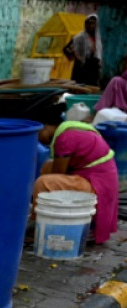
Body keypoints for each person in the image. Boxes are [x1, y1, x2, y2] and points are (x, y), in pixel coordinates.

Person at [34, 103, 118, 244]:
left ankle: (42, 223)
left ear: (45, 127)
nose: (37, 138)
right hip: (100, 180)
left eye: (37, 133)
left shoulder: (65, 138)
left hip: (98, 186)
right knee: (47, 168)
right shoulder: (70, 129)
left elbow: (58, 173)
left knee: (44, 183)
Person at [66, 14, 102, 87]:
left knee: (92, 91)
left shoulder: (99, 39)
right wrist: (76, 55)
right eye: (89, 23)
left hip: (94, 70)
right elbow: (66, 49)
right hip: (81, 69)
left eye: (93, 23)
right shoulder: (79, 37)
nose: (91, 26)